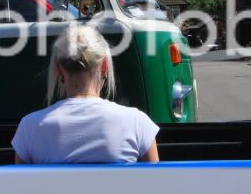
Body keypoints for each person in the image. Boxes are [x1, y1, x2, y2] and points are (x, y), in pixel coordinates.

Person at [12, 25, 159, 164]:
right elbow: (155, 185)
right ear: (104, 66)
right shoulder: (137, 123)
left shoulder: (29, 128)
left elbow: (22, 188)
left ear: (58, 70)